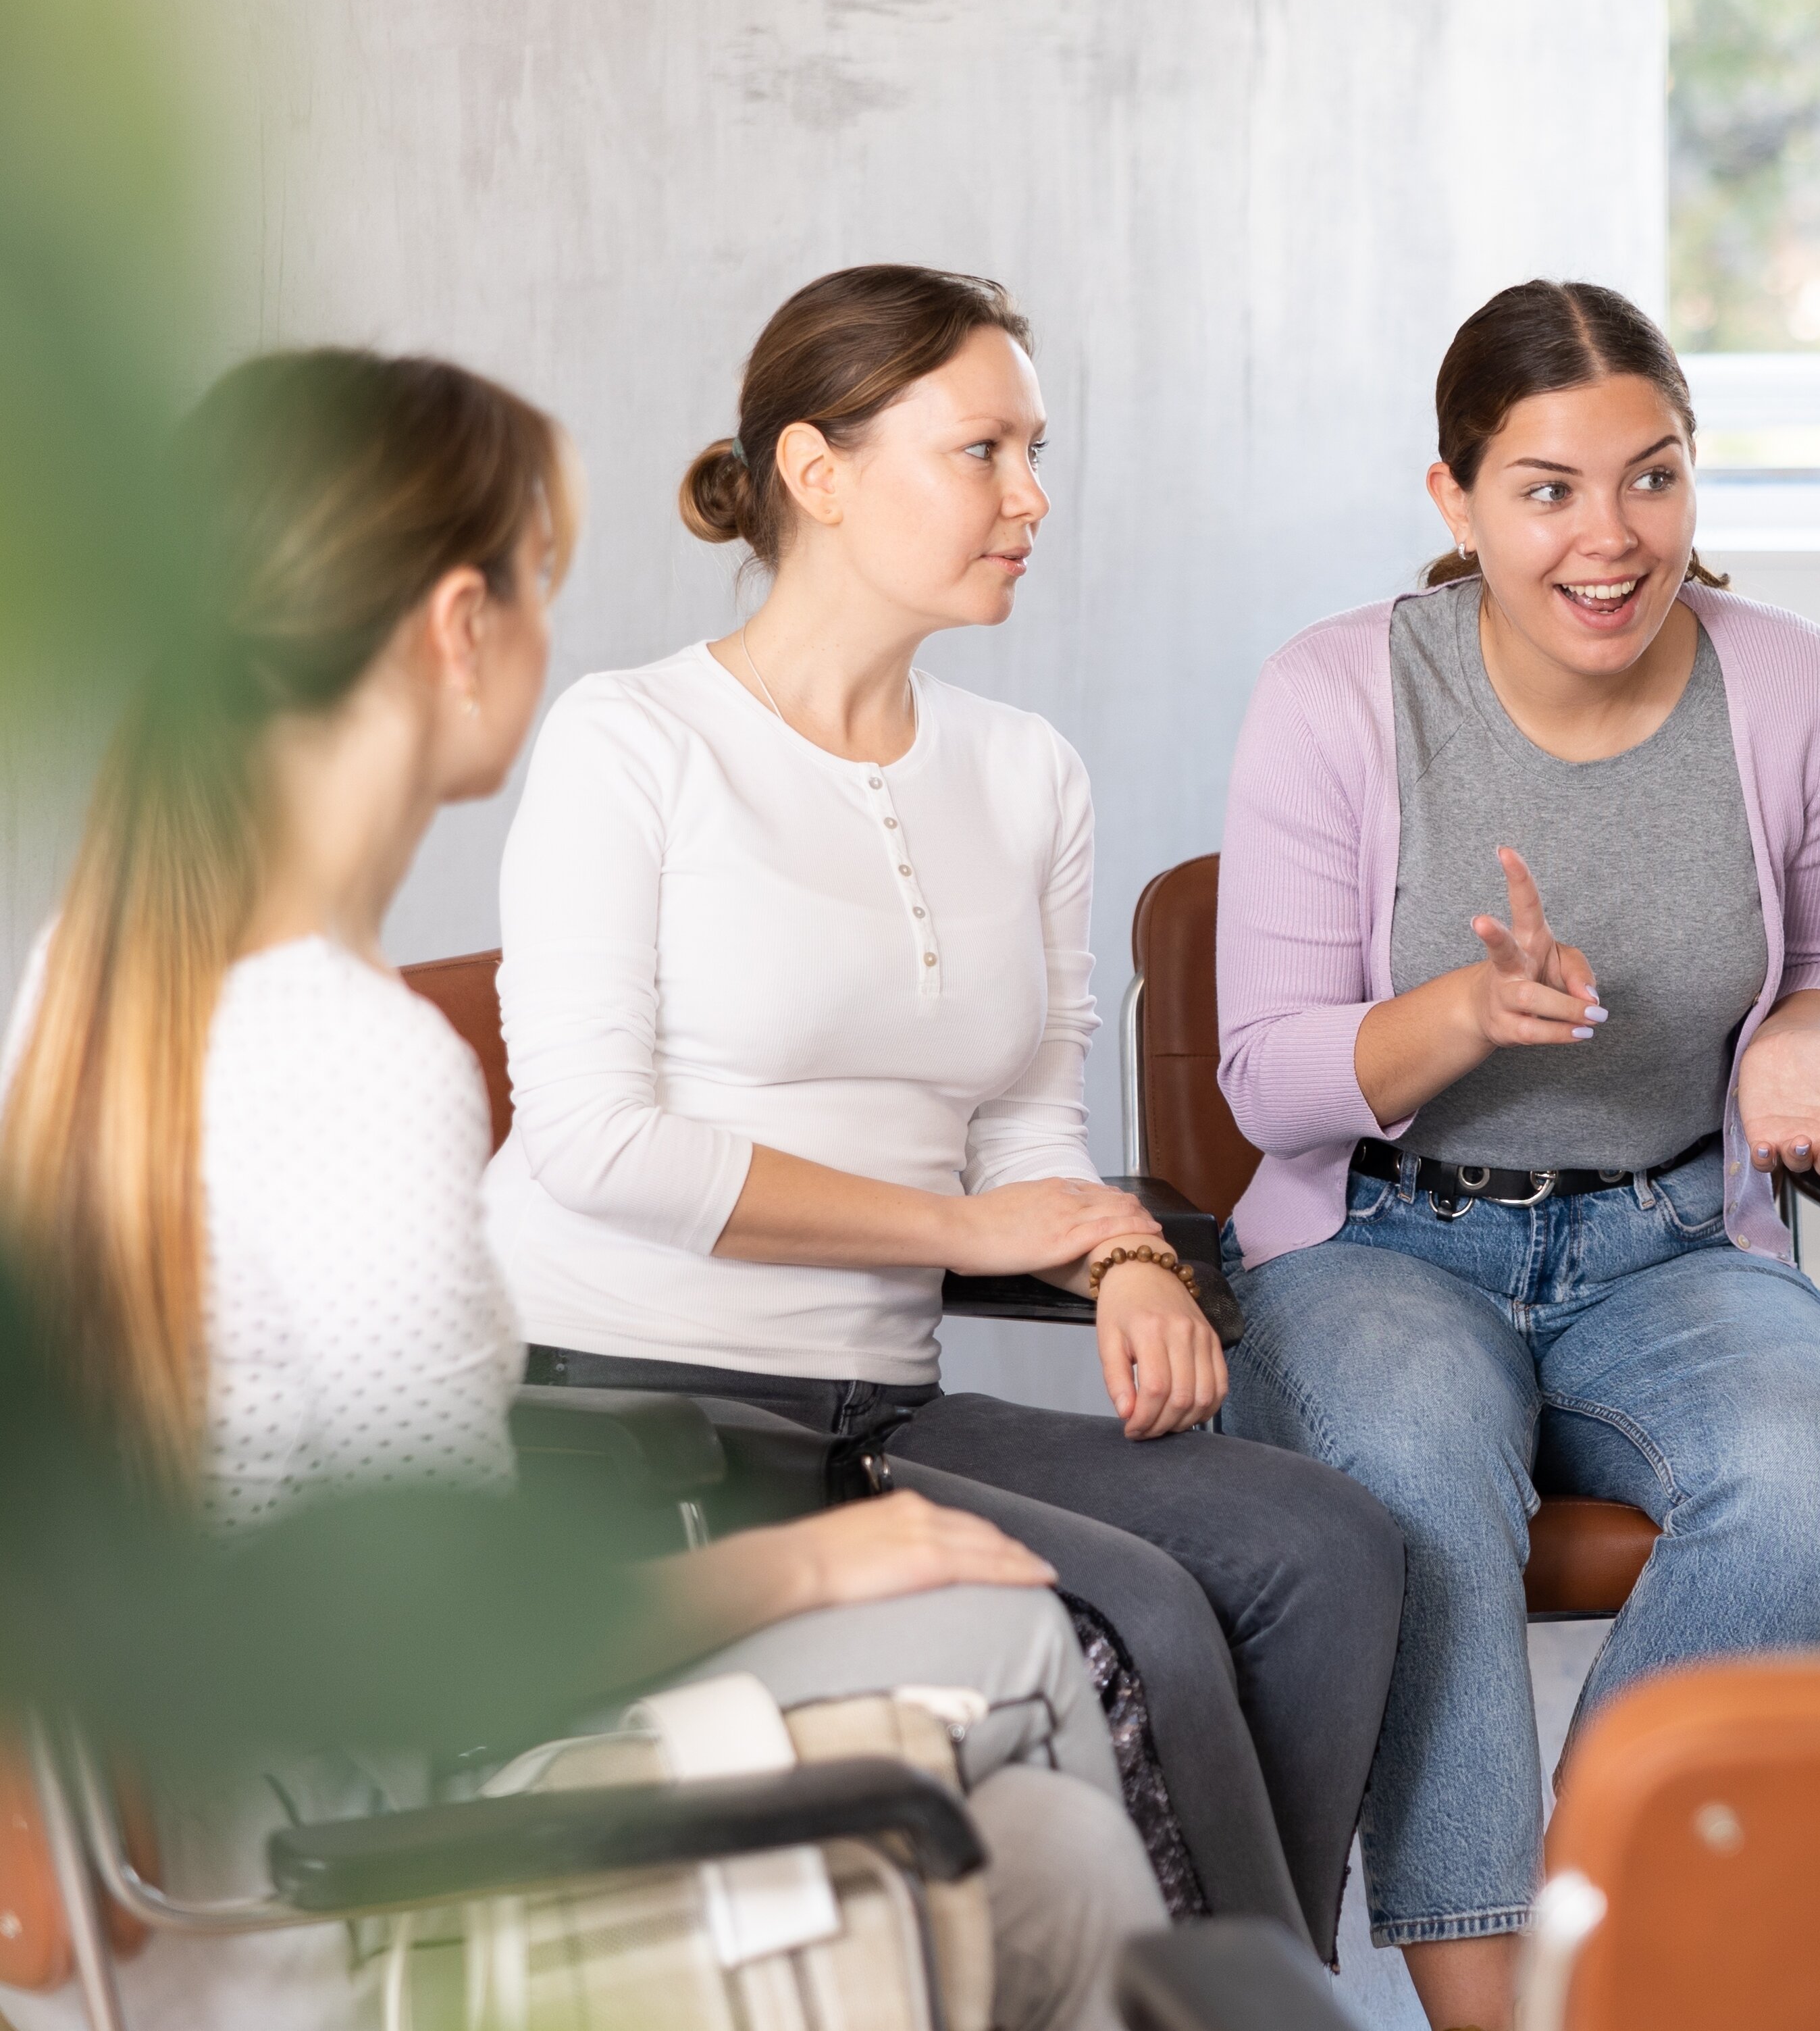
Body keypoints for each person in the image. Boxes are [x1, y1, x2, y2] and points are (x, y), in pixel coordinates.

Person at [0, 349, 1164, 2031]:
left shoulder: (86, 983)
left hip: (192, 1884)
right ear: (458, 626)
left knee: (1036, 1817)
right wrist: (818, 1566)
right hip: (347, 1904)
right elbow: (443, 1652)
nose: (551, 636)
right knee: (1014, 1682)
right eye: (540, 583)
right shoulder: (348, 1059)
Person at [479, 265, 1401, 1952]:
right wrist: (969, 1235)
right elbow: (590, 1145)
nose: (1031, 497)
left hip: (872, 1408)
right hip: (629, 1421)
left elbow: (1026, 1124)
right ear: (818, 473)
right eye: (983, 449)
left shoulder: (1024, 768)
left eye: (1034, 451)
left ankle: (1249, 1981)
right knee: (1148, 1621)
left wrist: (1124, 1261)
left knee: (1324, 1548)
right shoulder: (631, 743)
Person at [1212, 279, 1820, 2028]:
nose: (1611, 538)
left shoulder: (1787, 685)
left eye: (1653, 477)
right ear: (1452, 501)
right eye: (1547, 488)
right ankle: (1490, 2010)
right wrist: (1456, 1012)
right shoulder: (1337, 694)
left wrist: (1807, 1039)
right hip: (1380, 1242)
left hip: (1672, 1243)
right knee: (1425, 1495)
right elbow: (1265, 1076)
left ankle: (1588, 1931)